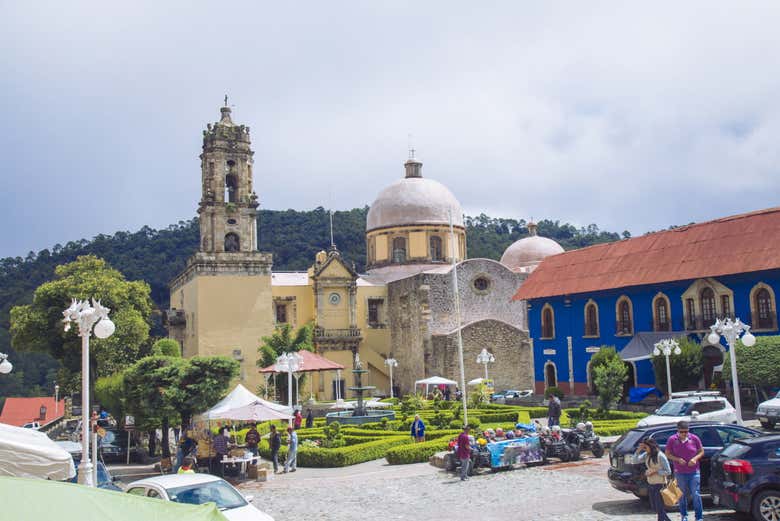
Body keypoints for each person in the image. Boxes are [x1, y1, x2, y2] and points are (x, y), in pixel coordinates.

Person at [665, 421, 704, 521]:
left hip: (694, 471)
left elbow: (701, 451)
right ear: (678, 431)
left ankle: (699, 517)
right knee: (681, 494)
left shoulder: (694, 438)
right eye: (682, 432)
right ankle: (684, 515)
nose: (684, 434)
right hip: (680, 471)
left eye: (686, 432)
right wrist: (677, 459)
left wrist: (695, 459)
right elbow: (668, 454)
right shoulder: (672, 439)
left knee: (695, 494)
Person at [636, 438, 672, 521]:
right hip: (651, 483)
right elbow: (635, 460)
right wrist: (638, 450)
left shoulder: (660, 456)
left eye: (646, 447)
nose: (645, 449)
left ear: (651, 446)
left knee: (659, 508)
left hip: (660, 484)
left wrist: (655, 471)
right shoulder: (647, 455)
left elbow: (668, 471)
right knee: (655, 507)